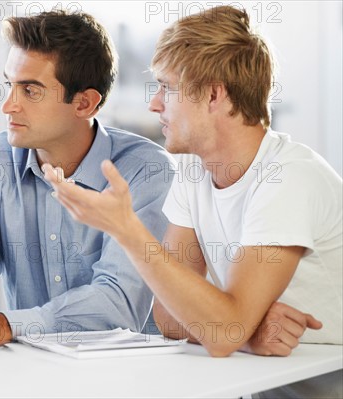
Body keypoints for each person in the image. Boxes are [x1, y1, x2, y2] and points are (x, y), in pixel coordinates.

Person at [44, 5, 342, 398]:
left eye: (167, 87)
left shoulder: (286, 177)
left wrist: (127, 230)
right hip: (260, 381)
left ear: (214, 94)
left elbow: (222, 334)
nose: (155, 104)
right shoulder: (193, 173)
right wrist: (244, 329)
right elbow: (169, 317)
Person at [0, 10, 174, 352]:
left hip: (128, 373)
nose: (8, 106)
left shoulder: (146, 171)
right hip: (28, 370)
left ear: (84, 103)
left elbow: (119, 304)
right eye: (10, 85)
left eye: (30, 91)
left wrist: (2, 325)